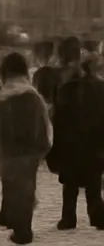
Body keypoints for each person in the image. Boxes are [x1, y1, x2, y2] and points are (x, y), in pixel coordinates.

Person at [0, 51, 53, 245]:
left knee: (11, 185)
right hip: (31, 151)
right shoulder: (33, 96)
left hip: (8, 151)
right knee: (26, 189)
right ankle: (17, 223)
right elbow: (45, 123)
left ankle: (23, 232)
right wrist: (45, 147)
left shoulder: (0, 97)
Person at [46, 39, 104, 230]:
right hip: (93, 141)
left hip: (71, 142)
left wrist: (55, 148)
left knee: (71, 183)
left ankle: (69, 217)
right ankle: (96, 215)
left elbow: (58, 118)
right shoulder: (98, 85)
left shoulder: (64, 87)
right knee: (92, 182)